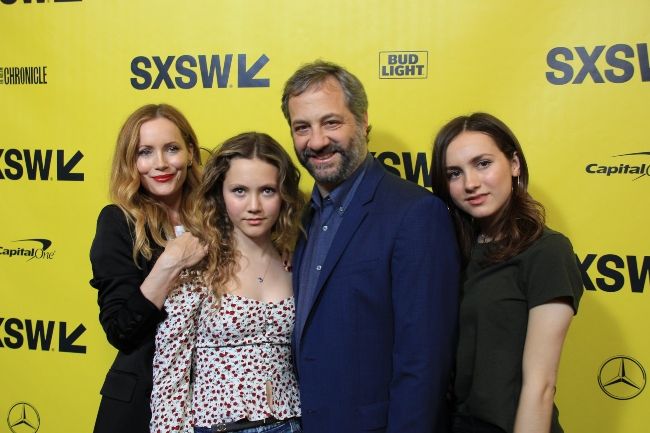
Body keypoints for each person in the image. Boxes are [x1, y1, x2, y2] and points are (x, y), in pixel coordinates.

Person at [280, 60, 460, 433]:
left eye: (331, 122)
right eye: (302, 127)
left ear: (363, 122)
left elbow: (423, 361)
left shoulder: (415, 213)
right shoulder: (298, 219)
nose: (316, 141)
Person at [430, 112, 583, 433]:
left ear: (514, 164)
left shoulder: (546, 251)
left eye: (483, 163)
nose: (470, 183)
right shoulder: (454, 251)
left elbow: (540, 386)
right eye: (454, 173)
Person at [150, 132, 305, 433]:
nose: (254, 205)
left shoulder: (300, 261)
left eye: (268, 191)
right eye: (239, 191)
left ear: (283, 194)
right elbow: (170, 373)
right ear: (220, 193)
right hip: (221, 426)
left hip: (290, 424)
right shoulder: (197, 264)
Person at [90, 104, 207, 433]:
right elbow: (121, 331)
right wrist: (170, 263)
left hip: (211, 403)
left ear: (190, 152)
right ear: (131, 162)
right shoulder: (118, 222)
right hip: (140, 406)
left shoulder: (216, 217)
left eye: (171, 149)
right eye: (145, 152)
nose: (161, 164)